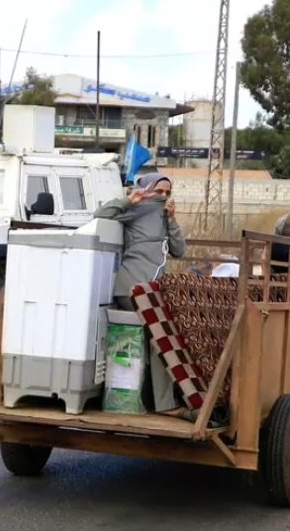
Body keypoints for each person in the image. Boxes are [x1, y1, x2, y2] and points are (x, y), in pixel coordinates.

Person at [93, 172, 190, 420]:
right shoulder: (137, 209)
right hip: (132, 287)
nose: (163, 197)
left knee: (166, 334)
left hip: (152, 290)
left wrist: (172, 220)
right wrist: (129, 200)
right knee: (161, 337)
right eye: (158, 192)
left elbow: (179, 250)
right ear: (145, 190)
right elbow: (100, 215)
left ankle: (156, 397)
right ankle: (165, 403)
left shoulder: (164, 215)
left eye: (167, 193)